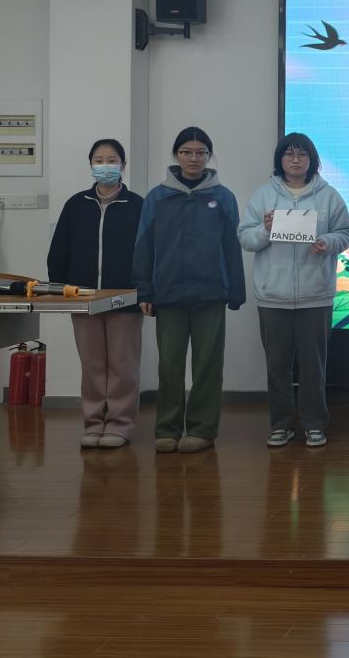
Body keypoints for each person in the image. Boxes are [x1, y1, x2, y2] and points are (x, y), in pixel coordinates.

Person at [133, 127, 246, 454]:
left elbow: (232, 247)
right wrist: (144, 291)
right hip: (168, 293)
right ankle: (167, 428)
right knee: (169, 365)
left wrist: (235, 292)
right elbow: (144, 246)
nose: (193, 158)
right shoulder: (157, 197)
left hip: (211, 293)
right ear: (176, 155)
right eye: (186, 152)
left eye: (200, 152)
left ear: (209, 156)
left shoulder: (223, 197)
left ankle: (202, 429)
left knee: (207, 365)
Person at [238, 133, 349, 449]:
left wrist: (327, 242)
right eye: (289, 154)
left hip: (316, 295)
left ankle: (314, 424)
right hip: (272, 296)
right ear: (280, 160)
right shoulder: (263, 195)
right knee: (277, 366)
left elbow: (345, 233)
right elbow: (246, 238)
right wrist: (265, 229)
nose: (296, 160)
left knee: (314, 366)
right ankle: (281, 425)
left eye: (303, 154)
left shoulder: (328, 195)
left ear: (312, 160)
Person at [47, 138, 144, 449]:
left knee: (122, 364)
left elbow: (148, 252)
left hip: (125, 298)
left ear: (123, 165)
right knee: (92, 365)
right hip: (83, 297)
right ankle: (93, 423)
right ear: (90, 165)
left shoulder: (138, 205)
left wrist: (145, 291)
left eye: (112, 160)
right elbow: (60, 250)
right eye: (99, 160)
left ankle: (119, 424)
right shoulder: (76, 205)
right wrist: (59, 288)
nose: (105, 166)